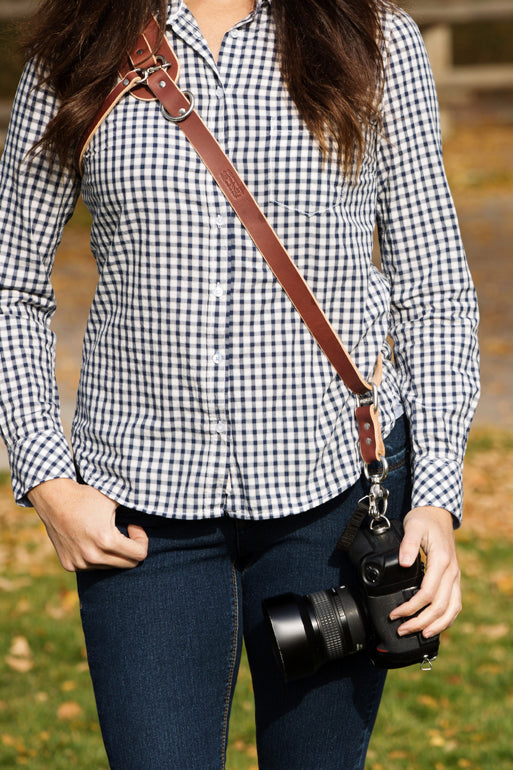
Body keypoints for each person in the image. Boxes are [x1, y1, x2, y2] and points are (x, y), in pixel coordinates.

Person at [0, 0, 479, 767]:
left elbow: (434, 291)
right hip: (139, 522)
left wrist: (435, 496)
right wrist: (47, 479)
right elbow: (10, 285)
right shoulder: (79, 43)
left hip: (333, 507)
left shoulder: (375, 39)